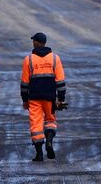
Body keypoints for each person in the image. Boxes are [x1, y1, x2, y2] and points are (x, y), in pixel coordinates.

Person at [20, 32, 67, 162]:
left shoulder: (28, 59)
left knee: (36, 124)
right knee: (50, 120)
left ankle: (39, 153)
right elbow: (60, 81)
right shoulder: (55, 58)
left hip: (34, 98)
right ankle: (49, 141)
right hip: (50, 98)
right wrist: (61, 99)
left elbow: (24, 83)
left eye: (33, 41)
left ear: (36, 42)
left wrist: (25, 100)